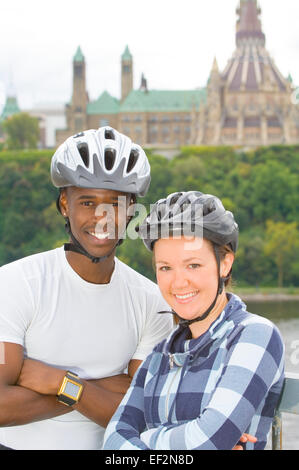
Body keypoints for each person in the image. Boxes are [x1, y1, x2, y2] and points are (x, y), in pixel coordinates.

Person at [0, 127, 174, 450]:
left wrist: (60, 382)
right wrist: (97, 390)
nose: (101, 217)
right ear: (65, 204)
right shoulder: (15, 284)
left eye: (115, 204)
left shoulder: (152, 302)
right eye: (88, 202)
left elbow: (144, 415)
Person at [103, 191, 285, 450]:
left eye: (193, 265)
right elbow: (112, 441)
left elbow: (209, 440)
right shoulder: (159, 355)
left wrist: (145, 438)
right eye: (165, 267)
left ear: (225, 264)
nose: (178, 282)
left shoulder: (256, 335)